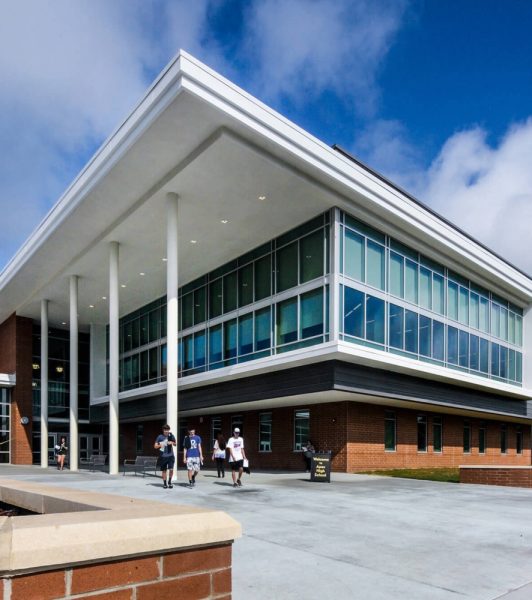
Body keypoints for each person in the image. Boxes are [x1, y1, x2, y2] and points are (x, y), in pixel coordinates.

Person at [154, 424, 176, 489]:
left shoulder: (171, 435)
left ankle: (169, 482)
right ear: (163, 430)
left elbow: (175, 444)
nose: (167, 431)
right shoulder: (160, 437)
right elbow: (155, 446)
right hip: (163, 456)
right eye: (165, 430)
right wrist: (163, 443)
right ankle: (164, 483)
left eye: (168, 430)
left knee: (171, 469)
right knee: (164, 471)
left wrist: (172, 442)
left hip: (171, 455)